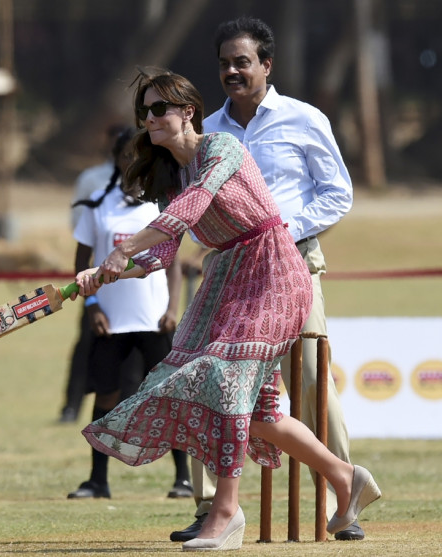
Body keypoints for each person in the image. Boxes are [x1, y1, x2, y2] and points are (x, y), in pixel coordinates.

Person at [74, 68, 380, 551]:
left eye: (159, 109)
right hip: (226, 280)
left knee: (223, 383)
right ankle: (346, 478)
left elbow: (192, 210)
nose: (150, 119)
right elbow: (162, 253)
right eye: (144, 112)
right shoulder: (173, 175)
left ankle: (225, 512)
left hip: (273, 271)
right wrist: (108, 270)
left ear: (187, 112)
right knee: (260, 413)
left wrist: (122, 247)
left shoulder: (222, 148)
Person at [170, 16, 361, 543]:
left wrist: (279, 232)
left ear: (266, 65)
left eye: (243, 61)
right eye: (225, 63)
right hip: (229, 272)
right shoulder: (208, 131)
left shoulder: (303, 119)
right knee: (213, 380)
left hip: (295, 264)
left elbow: (337, 193)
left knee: (311, 382)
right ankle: (211, 506)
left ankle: (342, 497)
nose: (233, 71)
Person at [66, 127, 192, 500]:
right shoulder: (96, 206)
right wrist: (91, 306)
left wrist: (172, 308)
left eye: (140, 155)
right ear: (117, 160)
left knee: (170, 398)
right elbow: (80, 265)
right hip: (111, 320)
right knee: (106, 396)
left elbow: (173, 265)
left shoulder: (162, 205)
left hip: (154, 320)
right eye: (126, 156)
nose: (132, 162)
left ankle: (182, 478)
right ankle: (97, 480)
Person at [60, 123, 129, 424]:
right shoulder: (92, 180)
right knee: (87, 344)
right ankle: (71, 405)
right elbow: (80, 231)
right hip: (95, 284)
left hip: (133, 285)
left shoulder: (148, 185)